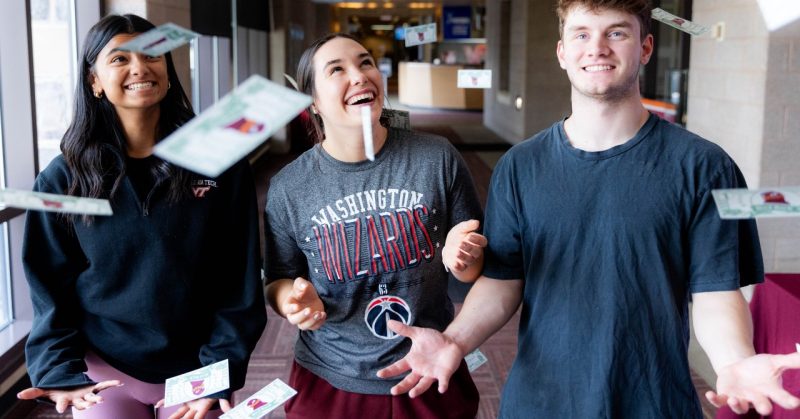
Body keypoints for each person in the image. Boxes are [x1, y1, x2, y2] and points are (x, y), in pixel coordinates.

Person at [376, 0, 800, 417]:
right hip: (540, 403)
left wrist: (732, 362)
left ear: (646, 48)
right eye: (581, 34)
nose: (597, 47)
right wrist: (455, 341)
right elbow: (503, 283)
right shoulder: (520, 167)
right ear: (562, 52)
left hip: (654, 401)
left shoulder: (705, 167)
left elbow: (714, 291)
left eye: (616, 32)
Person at [17, 14, 267, 419]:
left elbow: (238, 277)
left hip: (198, 365)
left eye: (152, 55)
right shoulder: (63, 178)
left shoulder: (217, 157)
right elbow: (48, 286)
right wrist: (59, 371)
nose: (139, 67)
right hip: (107, 367)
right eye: (119, 59)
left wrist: (218, 369)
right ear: (94, 81)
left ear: (168, 70)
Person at [263, 33, 486, 418]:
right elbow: (279, 278)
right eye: (337, 69)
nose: (360, 75)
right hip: (332, 378)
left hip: (429, 366)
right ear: (313, 101)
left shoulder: (437, 158)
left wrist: (463, 259)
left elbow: (474, 272)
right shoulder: (289, 188)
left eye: (365, 62)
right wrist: (293, 302)